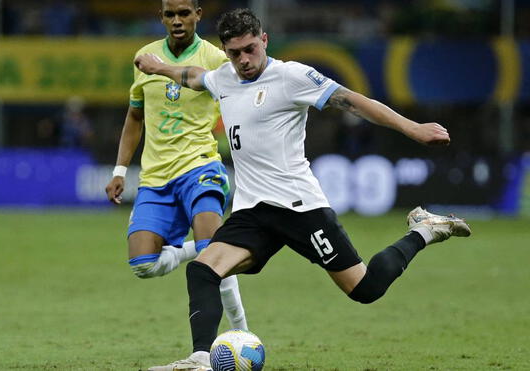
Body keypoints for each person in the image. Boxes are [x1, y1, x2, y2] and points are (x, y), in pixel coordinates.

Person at [134, 8, 472, 370]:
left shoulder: (291, 76)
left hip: (300, 208)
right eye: (235, 53)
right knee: (203, 270)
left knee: (365, 289)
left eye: (250, 49)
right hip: (252, 212)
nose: (244, 60)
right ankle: (200, 360)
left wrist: (413, 128)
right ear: (225, 51)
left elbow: (354, 101)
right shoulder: (225, 78)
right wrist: (160, 68)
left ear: (264, 40)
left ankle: (424, 229)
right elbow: (196, 76)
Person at [104, 0, 248, 364]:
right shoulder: (143, 56)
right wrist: (120, 171)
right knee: (143, 265)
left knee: (214, 255)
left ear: (198, 14)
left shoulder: (216, 59)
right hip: (155, 177)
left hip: (200, 168)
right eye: (170, 14)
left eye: (185, 13)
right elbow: (135, 117)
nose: (177, 20)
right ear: (162, 18)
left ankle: (239, 335)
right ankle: (194, 248)